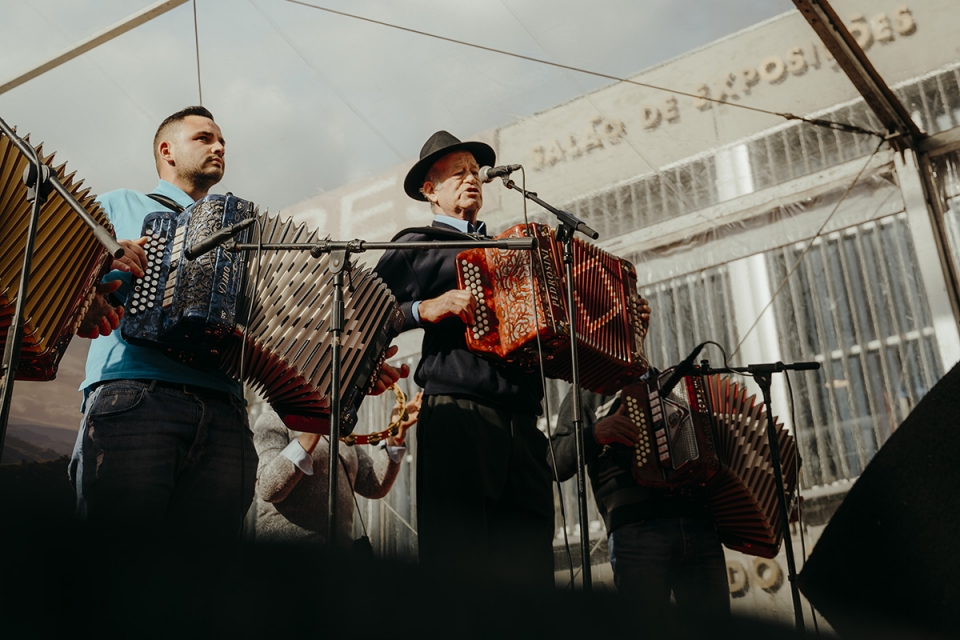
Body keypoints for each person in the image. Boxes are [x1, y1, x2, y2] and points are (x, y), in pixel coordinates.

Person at [68, 106, 406, 540]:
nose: (219, 146)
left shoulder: (249, 238)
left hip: (225, 416)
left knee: (209, 574)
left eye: (222, 140)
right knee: (116, 558)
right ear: (166, 150)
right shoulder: (119, 204)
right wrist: (95, 285)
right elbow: (62, 288)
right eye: (204, 138)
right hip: (138, 398)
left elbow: (289, 328)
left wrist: (352, 371)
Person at [374, 131, 554, 587]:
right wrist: (423, 308)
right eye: (458, 173)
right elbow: (365, 313)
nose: (471, 179)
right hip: (460, 412)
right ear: (429, 191)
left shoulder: (509, 249)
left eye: (475, 172)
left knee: (531, 569)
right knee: (460, 562)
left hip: (523, 421)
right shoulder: (417, 243)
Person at [548, 314, 731, 625]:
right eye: (627, 318)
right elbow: (553, 461)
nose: (636, 323)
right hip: (637, 532)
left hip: (698, 525)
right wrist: (595, 434)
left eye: (640, 317)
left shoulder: (677, 387)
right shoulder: (588, 390)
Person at [253, 390, 421, 546]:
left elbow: (373, 485)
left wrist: (396, 434)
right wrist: (312, 431)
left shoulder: (339, 431)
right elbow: (268, 490)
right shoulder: (273, 421)